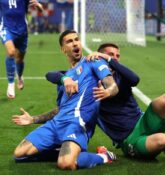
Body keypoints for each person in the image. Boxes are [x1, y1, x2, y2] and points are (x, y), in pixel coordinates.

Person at [14, 42, 165, 160]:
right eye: (111, 54)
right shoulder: (87, 81)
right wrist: (34, 119)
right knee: (164, 139)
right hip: (130, 139)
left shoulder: (120, 76)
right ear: (97, 56)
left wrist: (110, 60)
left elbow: (135, 79)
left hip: (144, 120)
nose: (115, 58)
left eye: (117, 56)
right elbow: (52, 76)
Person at [13, 30, 118, 170]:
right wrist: (33, 119)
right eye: (69, 41)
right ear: (63, 50)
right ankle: (64, 150)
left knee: (66, 164)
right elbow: (60, 109)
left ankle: (104, 156)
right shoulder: (65, 77)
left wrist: (108, 92)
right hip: (56, 124)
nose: (75, 43)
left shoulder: (92, 62)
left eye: (76, 39)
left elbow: (112, 85)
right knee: (19, 154)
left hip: (76, 124)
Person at [0, 0, 43, 99]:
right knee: (11, 52)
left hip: (22, 31)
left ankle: (19, 77)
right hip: (6, 28)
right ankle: (11, 84)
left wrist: (38, 6)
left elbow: (40, 8)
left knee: (20, 59)